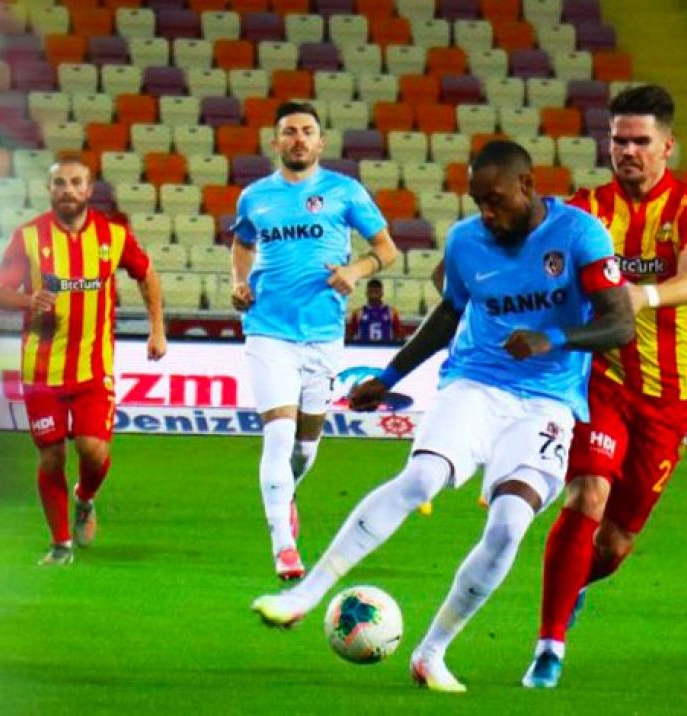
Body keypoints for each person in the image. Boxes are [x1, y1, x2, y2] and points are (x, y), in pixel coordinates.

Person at [251, 140, 634, 693]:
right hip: (476, 382)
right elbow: (449, 314)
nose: (486, 213)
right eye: (478, 201)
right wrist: (389, 377)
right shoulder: (465, 242)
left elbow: (619, 323)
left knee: (509, 524)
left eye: (495, 200)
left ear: (527, 186)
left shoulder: (579, 234)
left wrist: (551, 338)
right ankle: (302, 596)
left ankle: (431, 653)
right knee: (422, 478)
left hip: (548, 402)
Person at [523, 85, 687, 688]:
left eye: (640, 141)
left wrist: (643, 295)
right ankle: (549, 646)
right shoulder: (586, 212)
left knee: (616, 543)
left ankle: (575, 584)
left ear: (666, 146)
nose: (628, 151)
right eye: (618, 140)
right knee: (587, 495)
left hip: (669, 399)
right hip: (601, 384)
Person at [230, 101, 400, 580]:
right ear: (276, 142)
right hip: (268, 330)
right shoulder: (255, 197)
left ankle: (287, 494)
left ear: (321, 143)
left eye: (307, 131)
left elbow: (386, 249)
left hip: (323, 335)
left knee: (305, 446)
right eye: (290, 131)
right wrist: (238, 283)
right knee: (278, 435)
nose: (299, 138)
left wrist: (355, 270)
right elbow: (242, 243)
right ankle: (284, 546)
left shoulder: (345, 192)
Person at [0, 156, 166, 566]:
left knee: (93, 451)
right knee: (51, 457)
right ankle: (61, 545)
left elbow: (146, 274)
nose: (67, 190)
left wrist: (157, 328)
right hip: (41, 371)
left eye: (75, 183)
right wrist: (27, 300)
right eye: (60, 184)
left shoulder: (113, 235)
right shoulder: (28, 237)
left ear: (89, 190)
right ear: (49, 190)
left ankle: (85, 498)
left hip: (93, 368)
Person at [346, 278, 403, 344]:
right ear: (366, 293)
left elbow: (399, 336)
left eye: (376, 292)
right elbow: (350, 335)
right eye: (371, 292)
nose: (373, 295)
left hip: (385, 348)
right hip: (364, 349)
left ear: (382, 293)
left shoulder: (392, 312)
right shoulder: (358, 313)